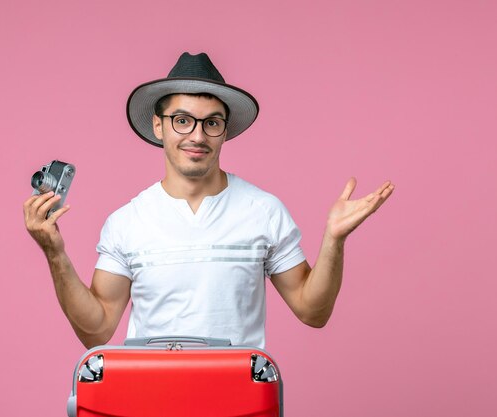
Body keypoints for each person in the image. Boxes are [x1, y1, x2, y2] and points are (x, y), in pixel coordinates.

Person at [23, 52, 394, 349]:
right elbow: (97, 330)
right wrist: (55, 253)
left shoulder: (263, 211)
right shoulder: (127, 222)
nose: (197, 136)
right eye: (182, 120)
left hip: (240, 402)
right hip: (150, 401)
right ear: (159, 125)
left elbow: (313, 311)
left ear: (224, 131)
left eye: (211, 123)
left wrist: (334, 239)